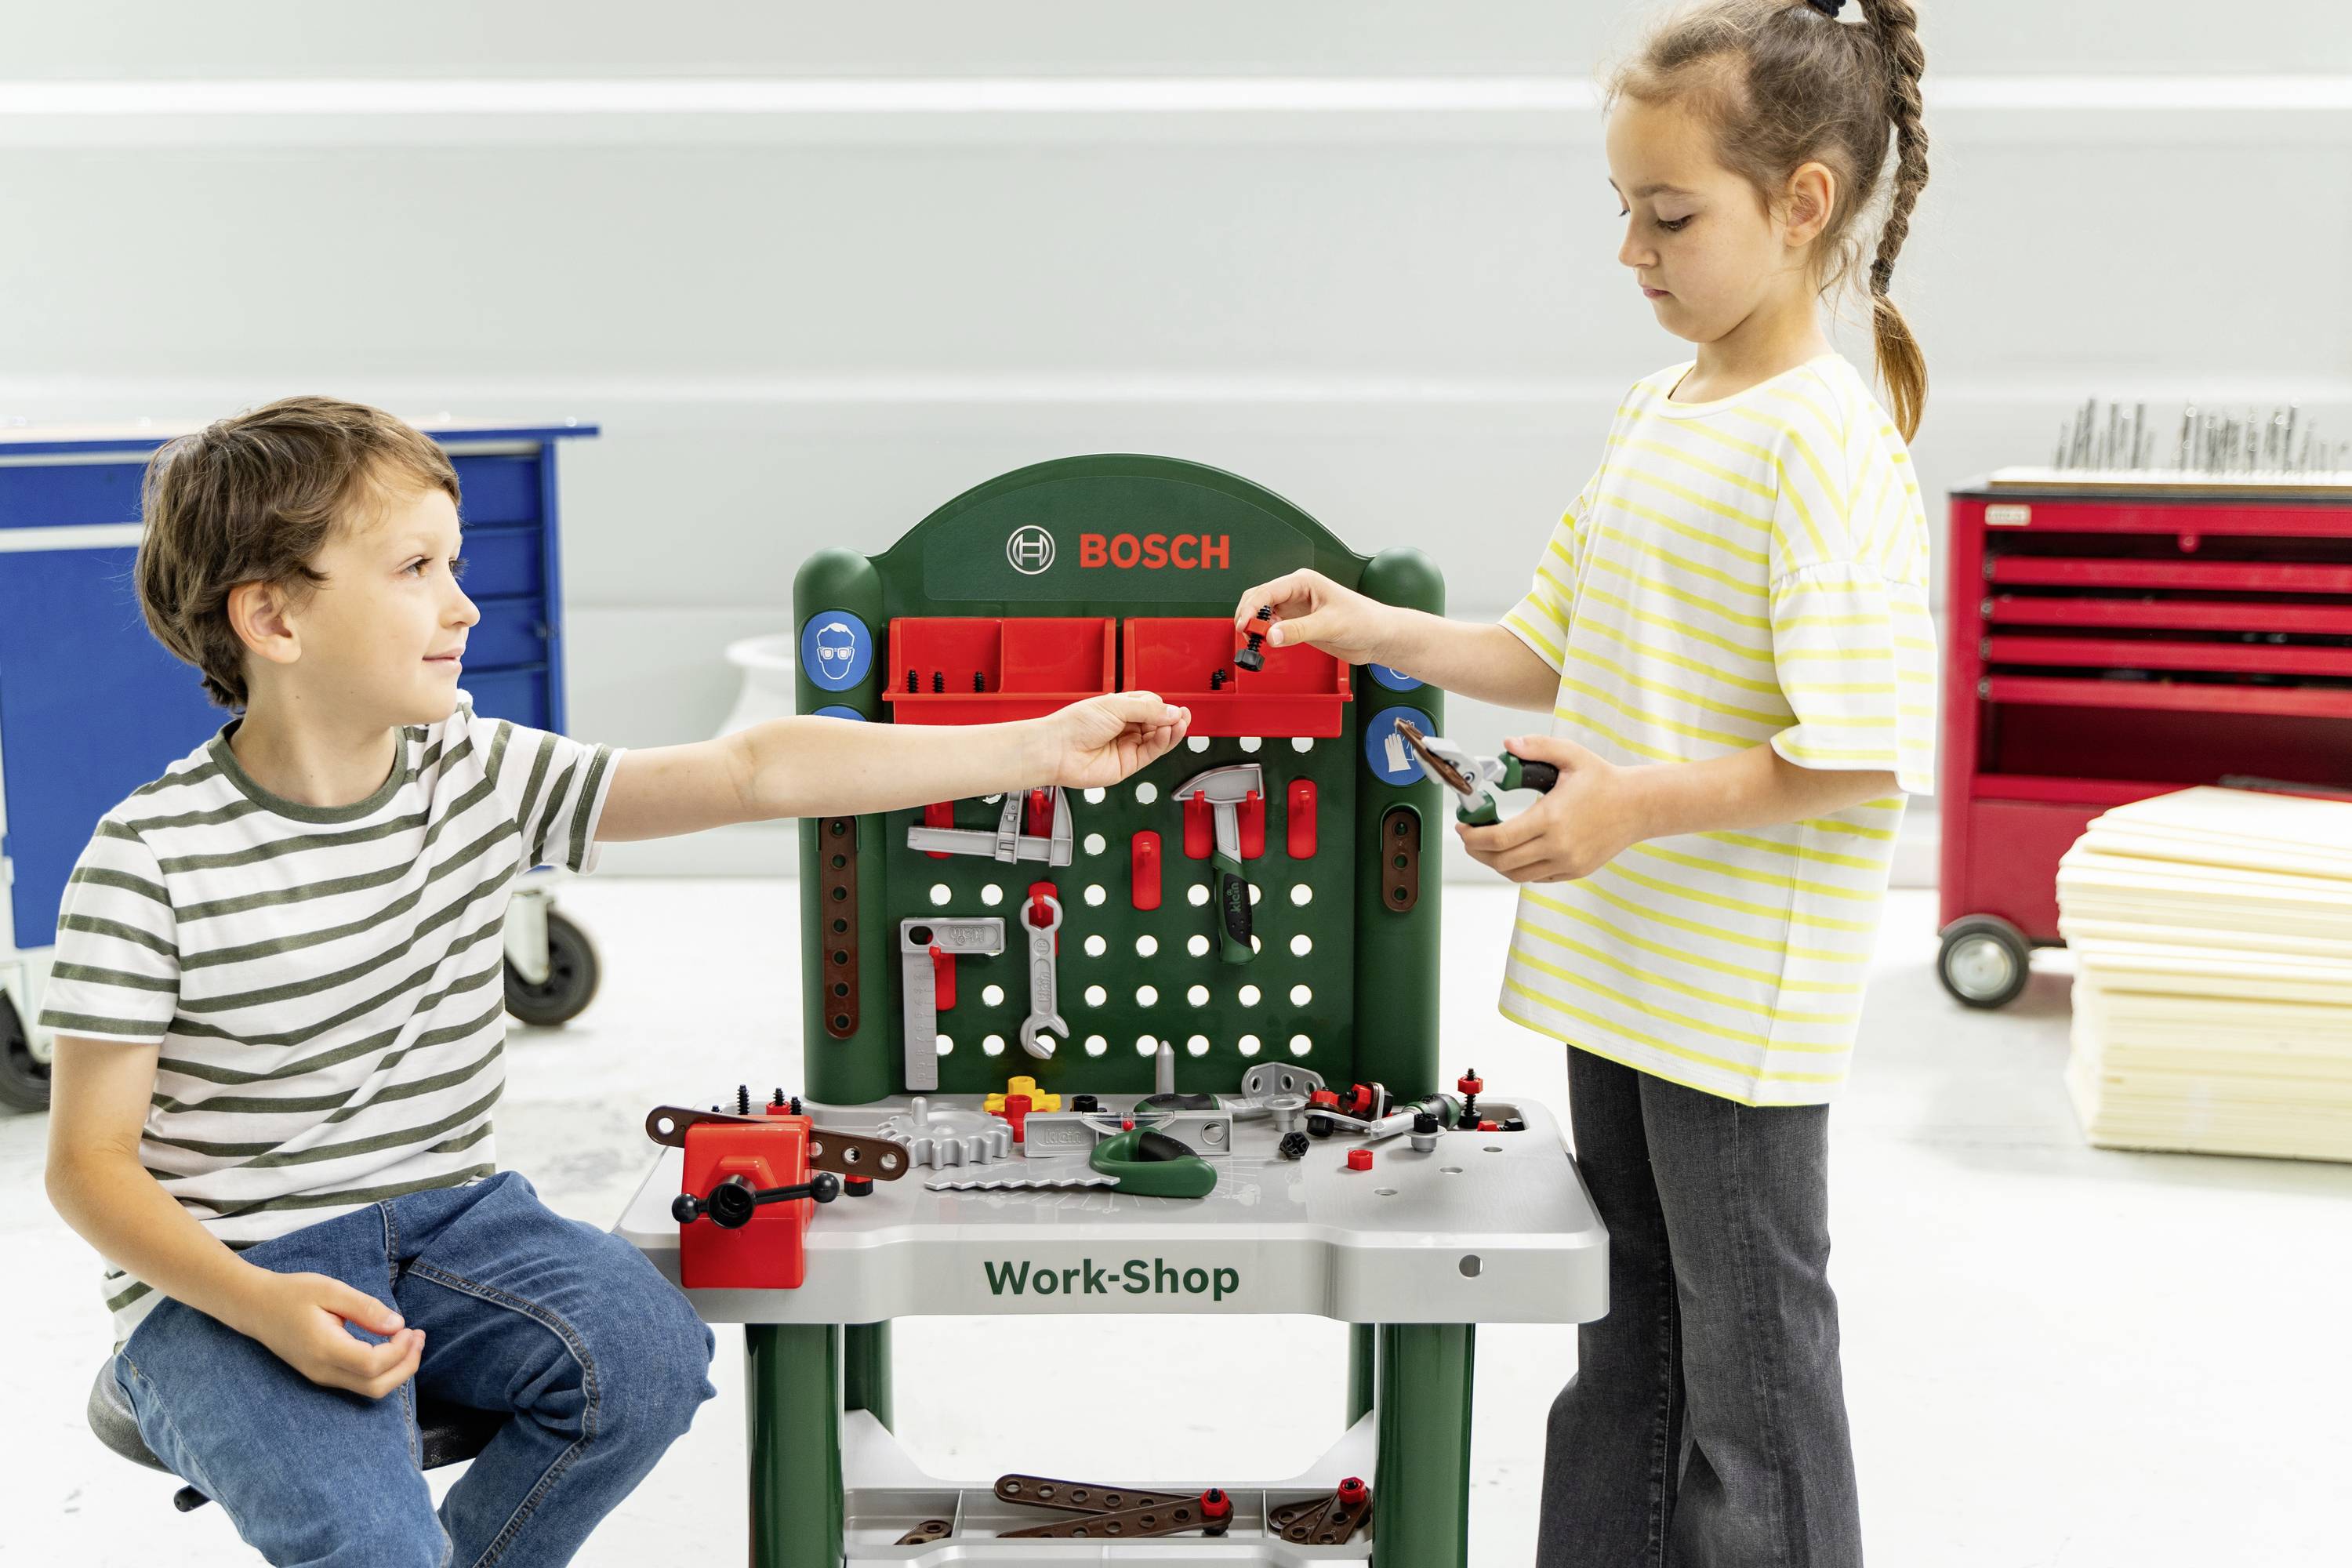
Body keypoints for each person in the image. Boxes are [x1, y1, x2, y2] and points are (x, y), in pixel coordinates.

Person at [42, 395, 1189, 1566]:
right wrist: (258, 1303)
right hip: (227, 1276)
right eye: (414, 568)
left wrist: (1037, 747)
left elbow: (751, 770)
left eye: (457, 561)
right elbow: (88, 1168)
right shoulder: (150, 859)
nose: (464, 604)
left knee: (645, 1356)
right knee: (373, 1547)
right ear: (273, 617)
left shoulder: (479, 770)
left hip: (450, 1223)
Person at [1231, 1, 1933, 1559]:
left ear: (1802, 202)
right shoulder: (1665, 410)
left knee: (1752, 1383)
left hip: (1731, 992)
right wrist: (1367, 627)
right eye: (1624, 208)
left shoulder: (1826, 439)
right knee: (1627, 1344)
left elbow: (1860, 748)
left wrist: (1626, 806)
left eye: (1670, 214)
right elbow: (1547, 643)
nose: (1634, 248)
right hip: (1630, 963)